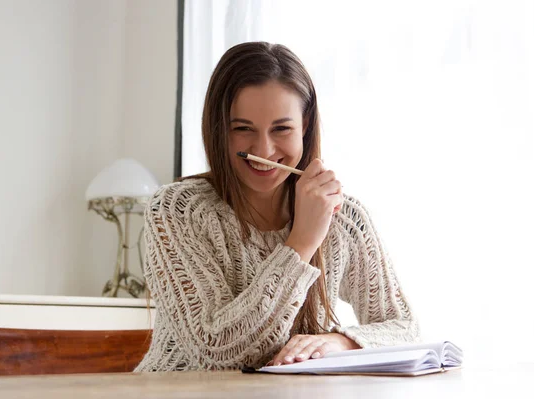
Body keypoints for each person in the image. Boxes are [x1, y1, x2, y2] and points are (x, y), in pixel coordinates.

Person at [134, 42, 419, 372]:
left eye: (281, 128)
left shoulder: (344, 217)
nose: (264, 150)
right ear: (218, 129)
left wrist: (340, 342)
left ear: (306, 124)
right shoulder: (176, 211)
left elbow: (405, 329)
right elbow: (218, 354)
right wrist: (302, 242)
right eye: (243, 129)